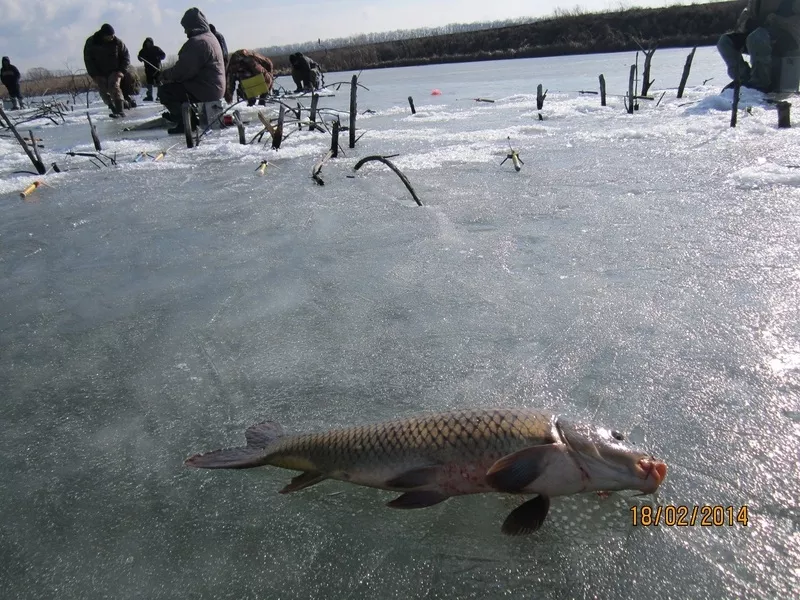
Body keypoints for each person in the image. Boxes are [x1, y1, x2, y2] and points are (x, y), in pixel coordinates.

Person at [159, 7, 225, 134]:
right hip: (213, 86)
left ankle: (187, 123)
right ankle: (189, 117)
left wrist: (165, 75)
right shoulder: (210, 37)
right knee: (178, 88)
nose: (185, 31)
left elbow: (183, 71)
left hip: (207, 89)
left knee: (165, 91)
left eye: (186, 27)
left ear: (192, 25)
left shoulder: (198, 42)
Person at [717, 0, 800, 92]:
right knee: (725, 41)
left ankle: (760, 83)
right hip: (760, 35)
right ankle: (743, 79)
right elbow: (746, 14)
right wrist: (747, 22)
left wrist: (777, 20)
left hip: (789, 37)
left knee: (757, 37)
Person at [84, 23, 130, 118]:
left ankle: (120, 110)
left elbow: (126, 57)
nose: (112, 37)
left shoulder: (118, 42)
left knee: (114, 86)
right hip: (99, 72)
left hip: (115, 70)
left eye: (113, 35)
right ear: (103, 35)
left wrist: (121, 71)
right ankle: (112, 107)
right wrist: (94, 74)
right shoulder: (91, 42)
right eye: (110, 36)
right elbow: (88, 60)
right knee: (103, 90)